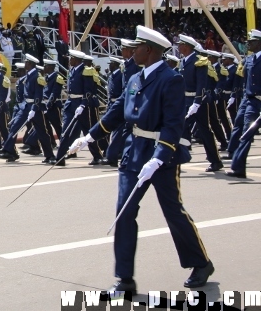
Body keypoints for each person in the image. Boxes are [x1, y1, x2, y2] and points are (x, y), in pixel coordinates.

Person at [69, 25, 214, 293]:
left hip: (161, 157)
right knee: (124, 213)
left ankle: (201, 263)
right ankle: (125, 279)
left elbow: (173, 124)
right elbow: (117, 110)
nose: (132, 51)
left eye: (136, 47)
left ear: (149, 50)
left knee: (174, 213)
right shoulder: (135, 78)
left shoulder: (171, 79)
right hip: (133, 154)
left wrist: (159, 158)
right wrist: (89, 137)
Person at [177, 35, 223, 173]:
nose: (178, 47)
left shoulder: (199, 61)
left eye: (180, 44)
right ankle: (180, 155)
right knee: (180, 128)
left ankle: (215, 161)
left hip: (198, 102)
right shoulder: (184, 61)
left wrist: (197, 102)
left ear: (187, 46)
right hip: (185, 100)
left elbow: (201, 84)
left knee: (204, 131)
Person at [51, 49, 99, 166]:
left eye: (71, 58)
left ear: (76, 60)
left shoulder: (85, 71)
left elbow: (88, 91)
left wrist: (83, 104)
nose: (69, 60)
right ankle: (60, 157)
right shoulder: (72, 70)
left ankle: (97, 155)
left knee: (88, 132)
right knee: (65, 131)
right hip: (71, 103)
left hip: (81, 104)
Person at [227, 29, 261, 178]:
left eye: (251, 41)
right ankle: (236, 162)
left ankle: (238, 165)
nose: (248, 43)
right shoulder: (249, 59)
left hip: (259, 100)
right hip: (249, 100)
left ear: (259, 43)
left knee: (247, 132)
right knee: (243, 128)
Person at [101, 57, 125, 167]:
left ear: (115, 64)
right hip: (111, 104)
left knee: (116, 132)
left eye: (111, 64)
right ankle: (110, 153)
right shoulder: (112, 75)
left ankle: (112, 156)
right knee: (107, 129)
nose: (109, 65)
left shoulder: (121, 75)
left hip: (118, 105)